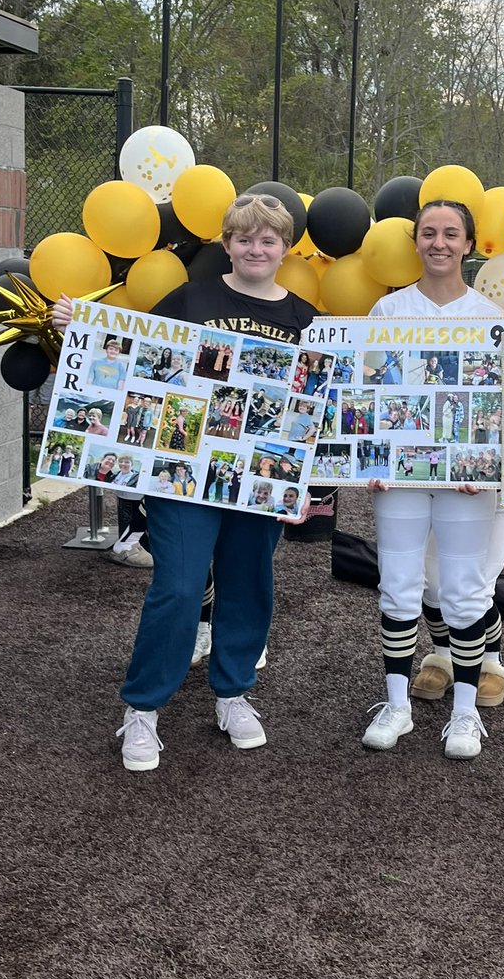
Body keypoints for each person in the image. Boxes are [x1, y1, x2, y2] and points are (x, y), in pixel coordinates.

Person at [52, 193, 313, 772]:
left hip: (257, 479)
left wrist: (303, 488)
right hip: (182, 476)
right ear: (227, 243)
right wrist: (80, 326)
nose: (256, 249)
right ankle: (142, 708)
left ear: (285, 248)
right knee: (178, 586)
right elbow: (132, 350)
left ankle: (233, 694)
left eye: (268, 240)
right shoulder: (191, 298)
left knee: (249, 584)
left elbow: (313, 412)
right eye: (244, 238)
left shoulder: (304, 318)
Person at [362, 199, 504, 760]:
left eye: (451, 234)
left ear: (469, 245)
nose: (439, 243)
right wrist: (366, 460)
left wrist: (489, 464)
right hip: (400, 477)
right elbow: (369, 395)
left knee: (463, 591)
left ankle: (465, 713)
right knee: (399, 585)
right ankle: (397, 705)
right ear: (415, 242)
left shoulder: (493, 317)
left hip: (466, 484)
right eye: (428, 232)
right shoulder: (387, 310)